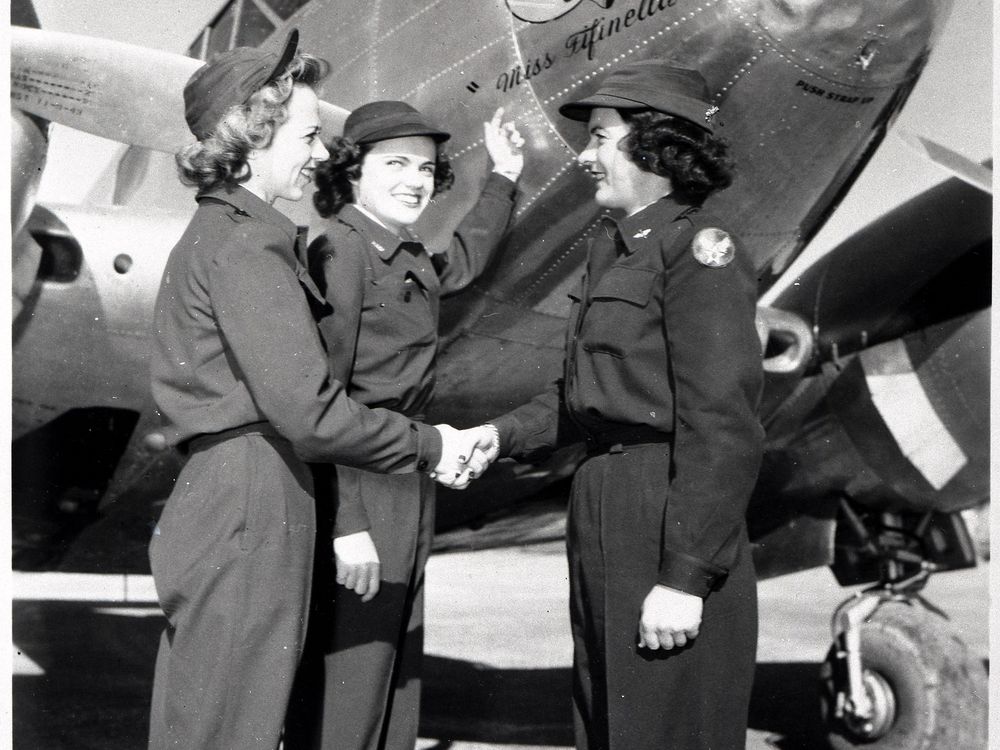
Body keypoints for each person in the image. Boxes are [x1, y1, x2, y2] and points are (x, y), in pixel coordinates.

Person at [147, 32, 483, 750]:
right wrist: (430, 445)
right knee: (231, 726)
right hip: (252, 493)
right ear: (254, 135)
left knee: (220, 717)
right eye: (306, 134)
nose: (321, 152)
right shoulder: (246, 243)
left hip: (244, 488)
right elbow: (310, 409)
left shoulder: (226, 233)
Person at [471, 60, 764, 749]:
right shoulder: (614, 250)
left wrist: (685, 575)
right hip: (603, 502)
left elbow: (721, 422)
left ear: (654, 146)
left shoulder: (699, 250)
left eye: (600, 136)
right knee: (608, 726)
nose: (585, 156)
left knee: (665, 729)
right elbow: (582, 397)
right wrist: (495, 434)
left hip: (666, 509)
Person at [284, 101, 524, 750]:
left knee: (394, 675)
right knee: (351, 684)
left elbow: (464, 263)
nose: (416, 179)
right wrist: (349, 524)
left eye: (425, 167)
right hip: (361, 478)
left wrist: (502, 179)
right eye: (395, 163)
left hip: (407, 478)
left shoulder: (400, 248)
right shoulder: (340, 247)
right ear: (351, 172)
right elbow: (325, 398)